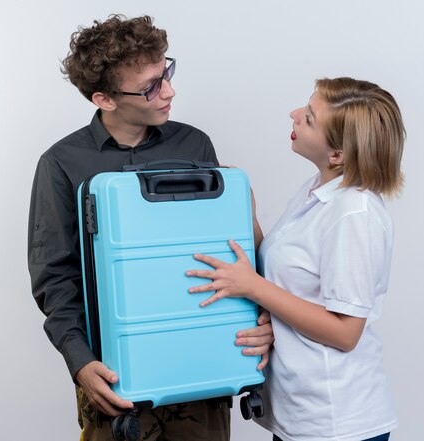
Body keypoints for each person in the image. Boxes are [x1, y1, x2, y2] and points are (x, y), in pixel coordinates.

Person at [27, 14, 273, 441]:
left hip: (202, 370)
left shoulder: (194, 144)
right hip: (117, 380)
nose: (170, 92)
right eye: (151, 87)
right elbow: (55, 276)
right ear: (104, 99)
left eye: (167, 74)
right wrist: (80, 362)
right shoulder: (61, 164)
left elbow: (231, 249)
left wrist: (264, 312)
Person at [187, 77, 405, 441]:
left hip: (336, 423)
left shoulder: (354, 213)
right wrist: (247, 210)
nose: (294, 114)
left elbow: (345, 332)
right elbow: (283, 278)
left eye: (308, 118)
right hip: (298, 416)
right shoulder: (316, 190)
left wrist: (252, 287)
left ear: (338, 155)